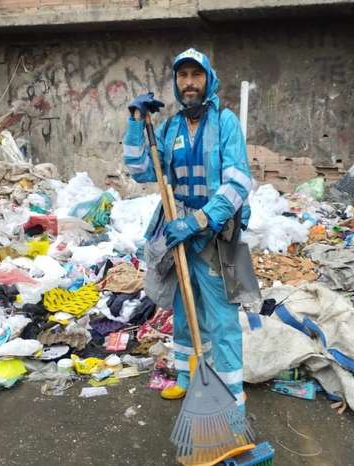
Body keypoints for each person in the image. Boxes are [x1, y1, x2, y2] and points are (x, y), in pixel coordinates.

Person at [123, 48, 255, 412]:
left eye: (196, 75)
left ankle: (230, 398)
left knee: (223, 318)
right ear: (176, 83)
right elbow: (142, 170)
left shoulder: (225, 123)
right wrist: (137, 121)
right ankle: (187, 376)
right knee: (185, 309)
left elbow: (238, 183)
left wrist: (197, 221)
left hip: (216, 236)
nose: (189, 83)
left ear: (208, 80)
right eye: (182, 76)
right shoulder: (169, 128)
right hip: (177, 233)